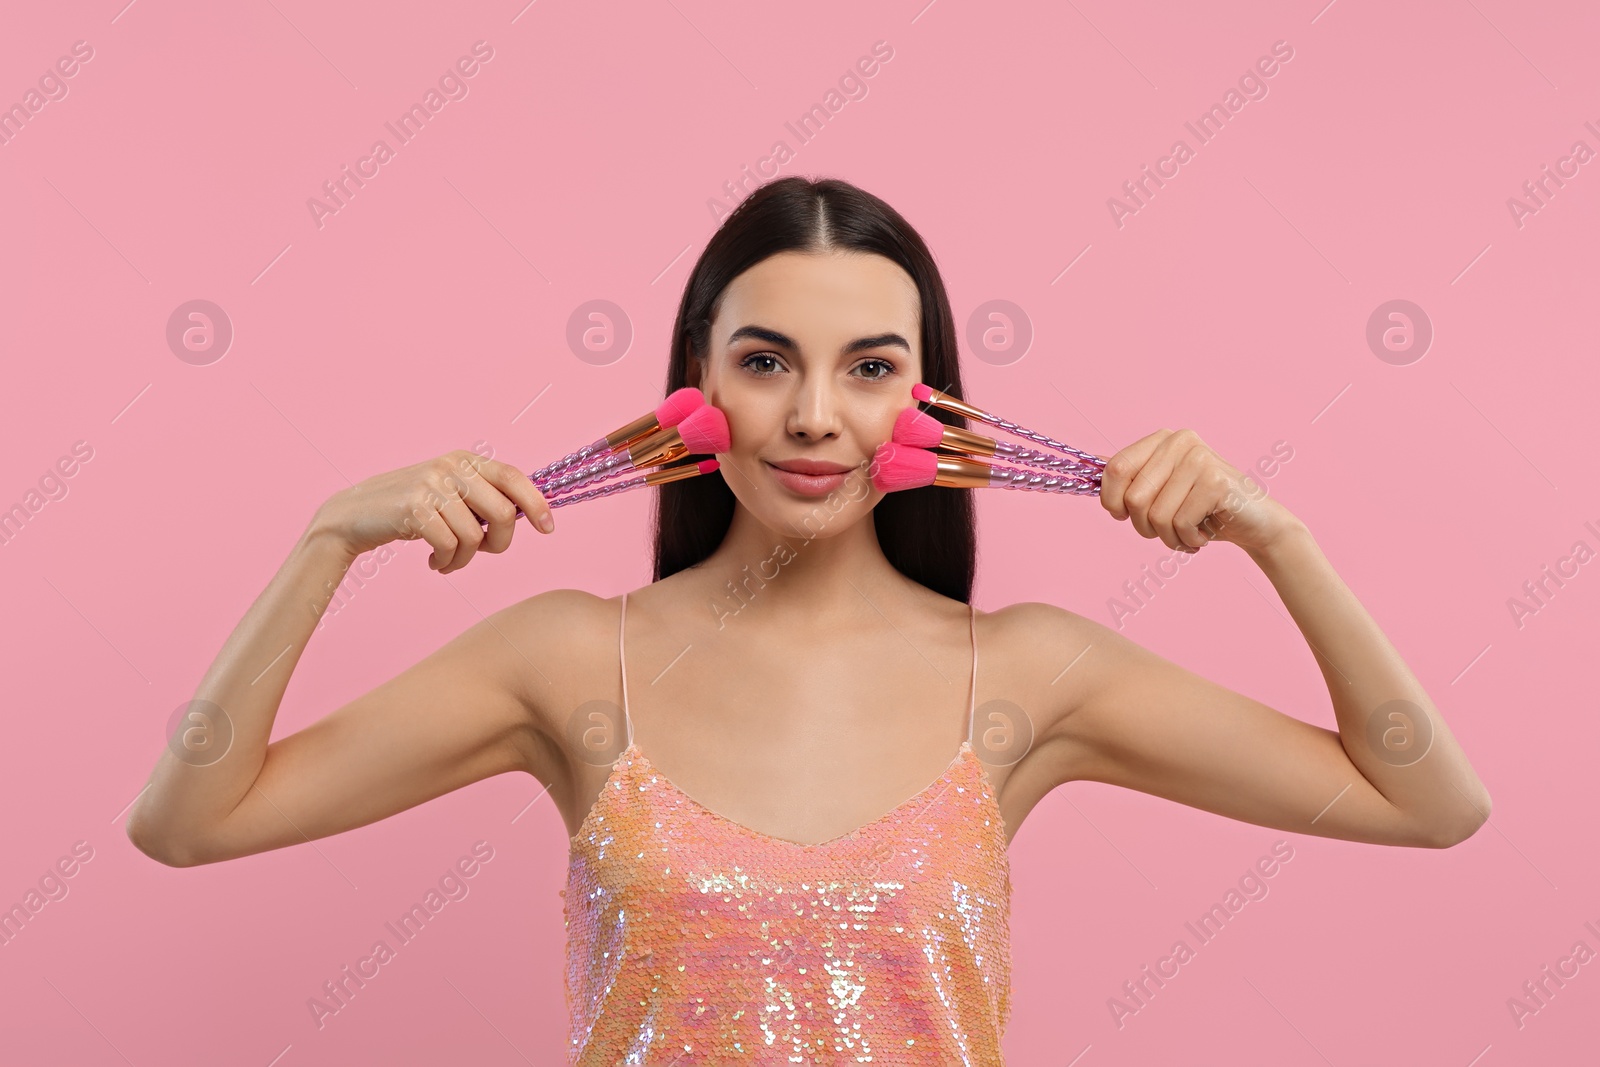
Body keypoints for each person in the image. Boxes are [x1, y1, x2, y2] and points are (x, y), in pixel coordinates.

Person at [126, 176, 1491, 1065]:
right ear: (698, 388)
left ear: (929, 407)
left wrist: (1278, 539)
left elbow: (1427, 800)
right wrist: (327, 541)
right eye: (767, 362)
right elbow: (189, 823)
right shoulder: (560, 657)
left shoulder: (1025, 675)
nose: (816, 417)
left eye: (872, 369)